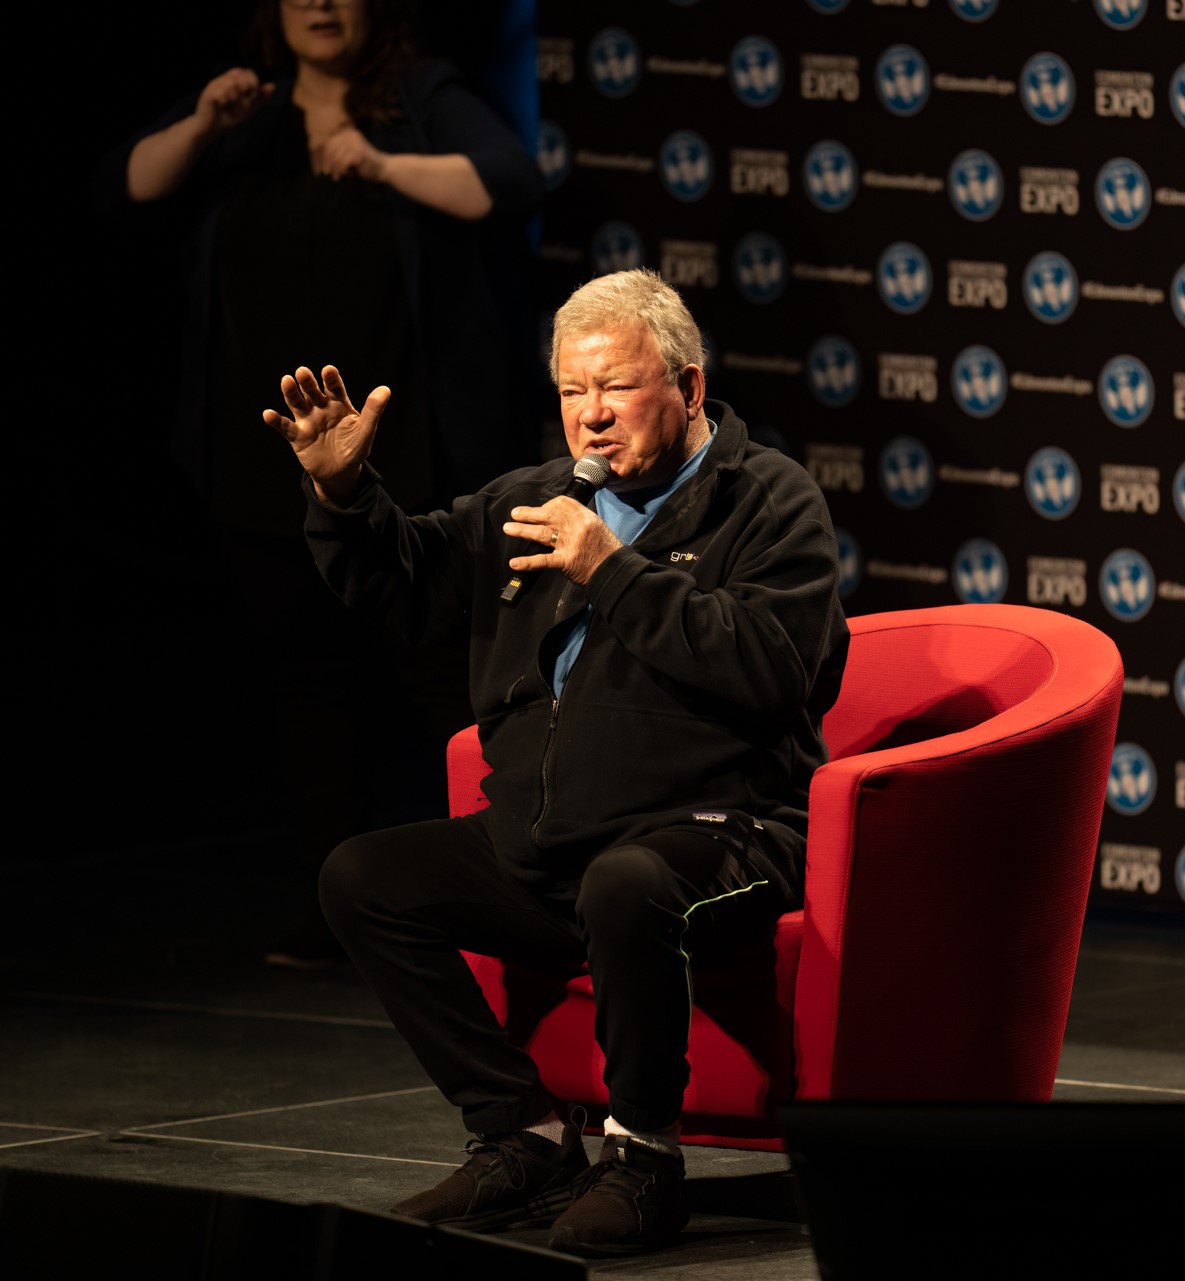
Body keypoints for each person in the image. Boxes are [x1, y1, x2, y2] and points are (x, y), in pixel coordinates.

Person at [263, 269, 850, 1255]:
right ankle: (520, 1136)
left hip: (721, 835)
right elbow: (400, 584)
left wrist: (610, 571)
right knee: (363, 877)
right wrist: (343, 490)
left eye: (616, 389)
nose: (592, 417)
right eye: (573, 393)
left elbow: (774, 670)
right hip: (547, 842)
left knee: (629, 884)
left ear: (691, 389)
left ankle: (644, 1163)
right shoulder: (529, 503)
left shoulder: (767, 499)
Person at [113, 0, 544, 964]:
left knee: (444, 675)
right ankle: (334, 910)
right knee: (305, 684)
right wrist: (202, 123)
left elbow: (507, 182)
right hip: (264, 456)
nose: (318, 2)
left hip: (414, 463)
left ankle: (505, 892)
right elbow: (139, 181)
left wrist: (379, 161)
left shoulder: (421, 100)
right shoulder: (246, 116)